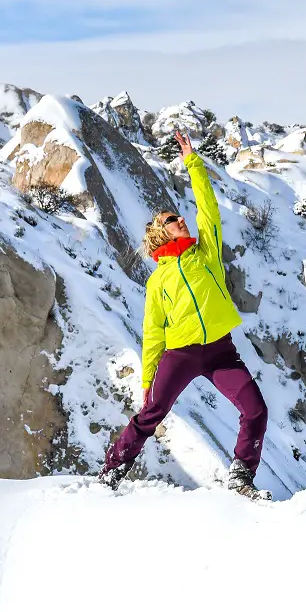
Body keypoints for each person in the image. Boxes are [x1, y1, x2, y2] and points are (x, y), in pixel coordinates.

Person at [98, 130, 270, 499]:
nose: (182, 220)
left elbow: (208, 209)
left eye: (179, 216)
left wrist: (192, 162)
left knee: (255, 410)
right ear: (161, 233)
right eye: (173, 219)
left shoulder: (204, 254)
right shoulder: (158, 280)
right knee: (151, 414)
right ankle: (112, 468)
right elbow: (153, 332)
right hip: (182, 354)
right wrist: (148, 379)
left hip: (222, 350)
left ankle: (241, 477)